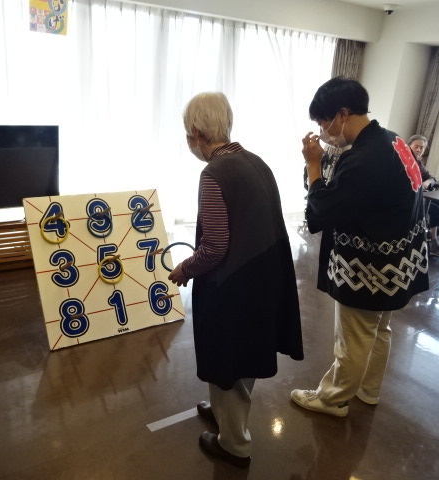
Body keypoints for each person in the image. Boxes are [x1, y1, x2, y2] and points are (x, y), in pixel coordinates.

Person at [168, 92, 303, 467]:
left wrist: (184, 269)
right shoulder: (256, 162)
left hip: (234, 286)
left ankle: (234, 444)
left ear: (196, 133)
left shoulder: (214, 173)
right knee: (244, 356)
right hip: (265, 277)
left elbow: (214, 248)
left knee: (227, 358)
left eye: (188, 134)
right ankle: (223, 413)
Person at [289, 76, 429, 417]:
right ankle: (368, 389)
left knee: (353, 337)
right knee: (379, 329)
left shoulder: (365, 158)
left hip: (369, 267)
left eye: (323, 122)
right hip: (400, 259)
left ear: (342, 114)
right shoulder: (394, 140)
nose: (322, 131)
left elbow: (322, 212)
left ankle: (333, 399)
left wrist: (312, 164)